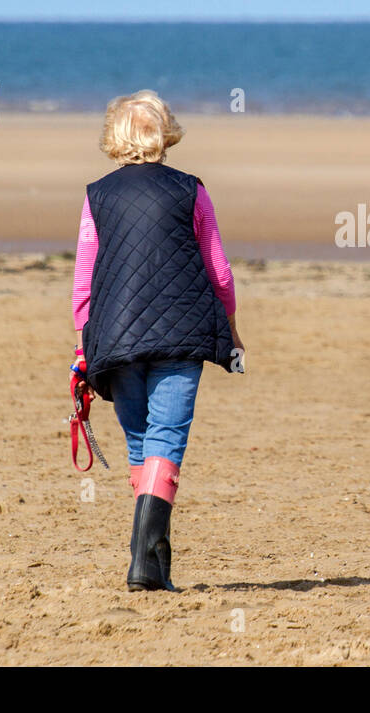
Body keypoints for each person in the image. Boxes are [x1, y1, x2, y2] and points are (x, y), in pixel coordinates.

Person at [71, 90, 242, 592]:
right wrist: (229, 326)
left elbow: (84, 282)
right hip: (182, 333)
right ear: (164, 134)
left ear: (114, 138)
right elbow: (220, 272)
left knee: (143, 444)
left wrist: (84, 347)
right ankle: (146, 564)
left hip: (115, 337)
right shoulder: (190, 189)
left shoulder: (97, 195)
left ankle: (154, 563)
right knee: (165, 440)